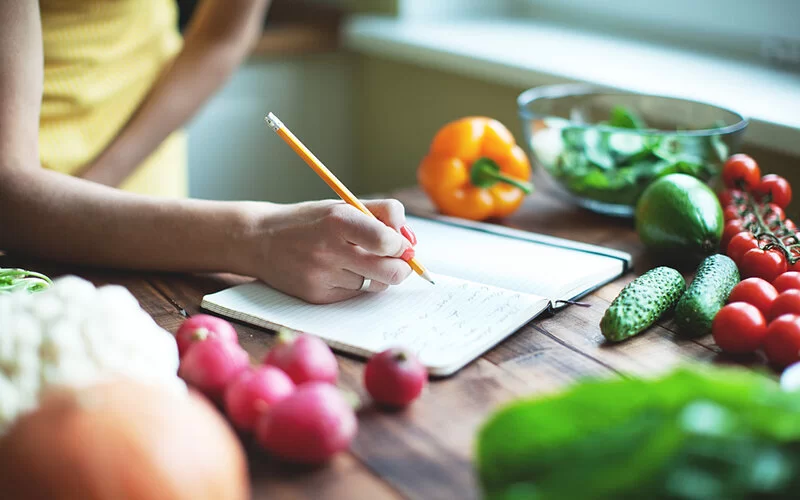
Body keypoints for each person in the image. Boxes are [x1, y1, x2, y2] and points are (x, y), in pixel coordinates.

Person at [0, 0, 415, 305]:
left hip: (148, 202)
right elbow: (10, 197)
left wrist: (90, 193)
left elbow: (223, 33)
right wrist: (260, 236)